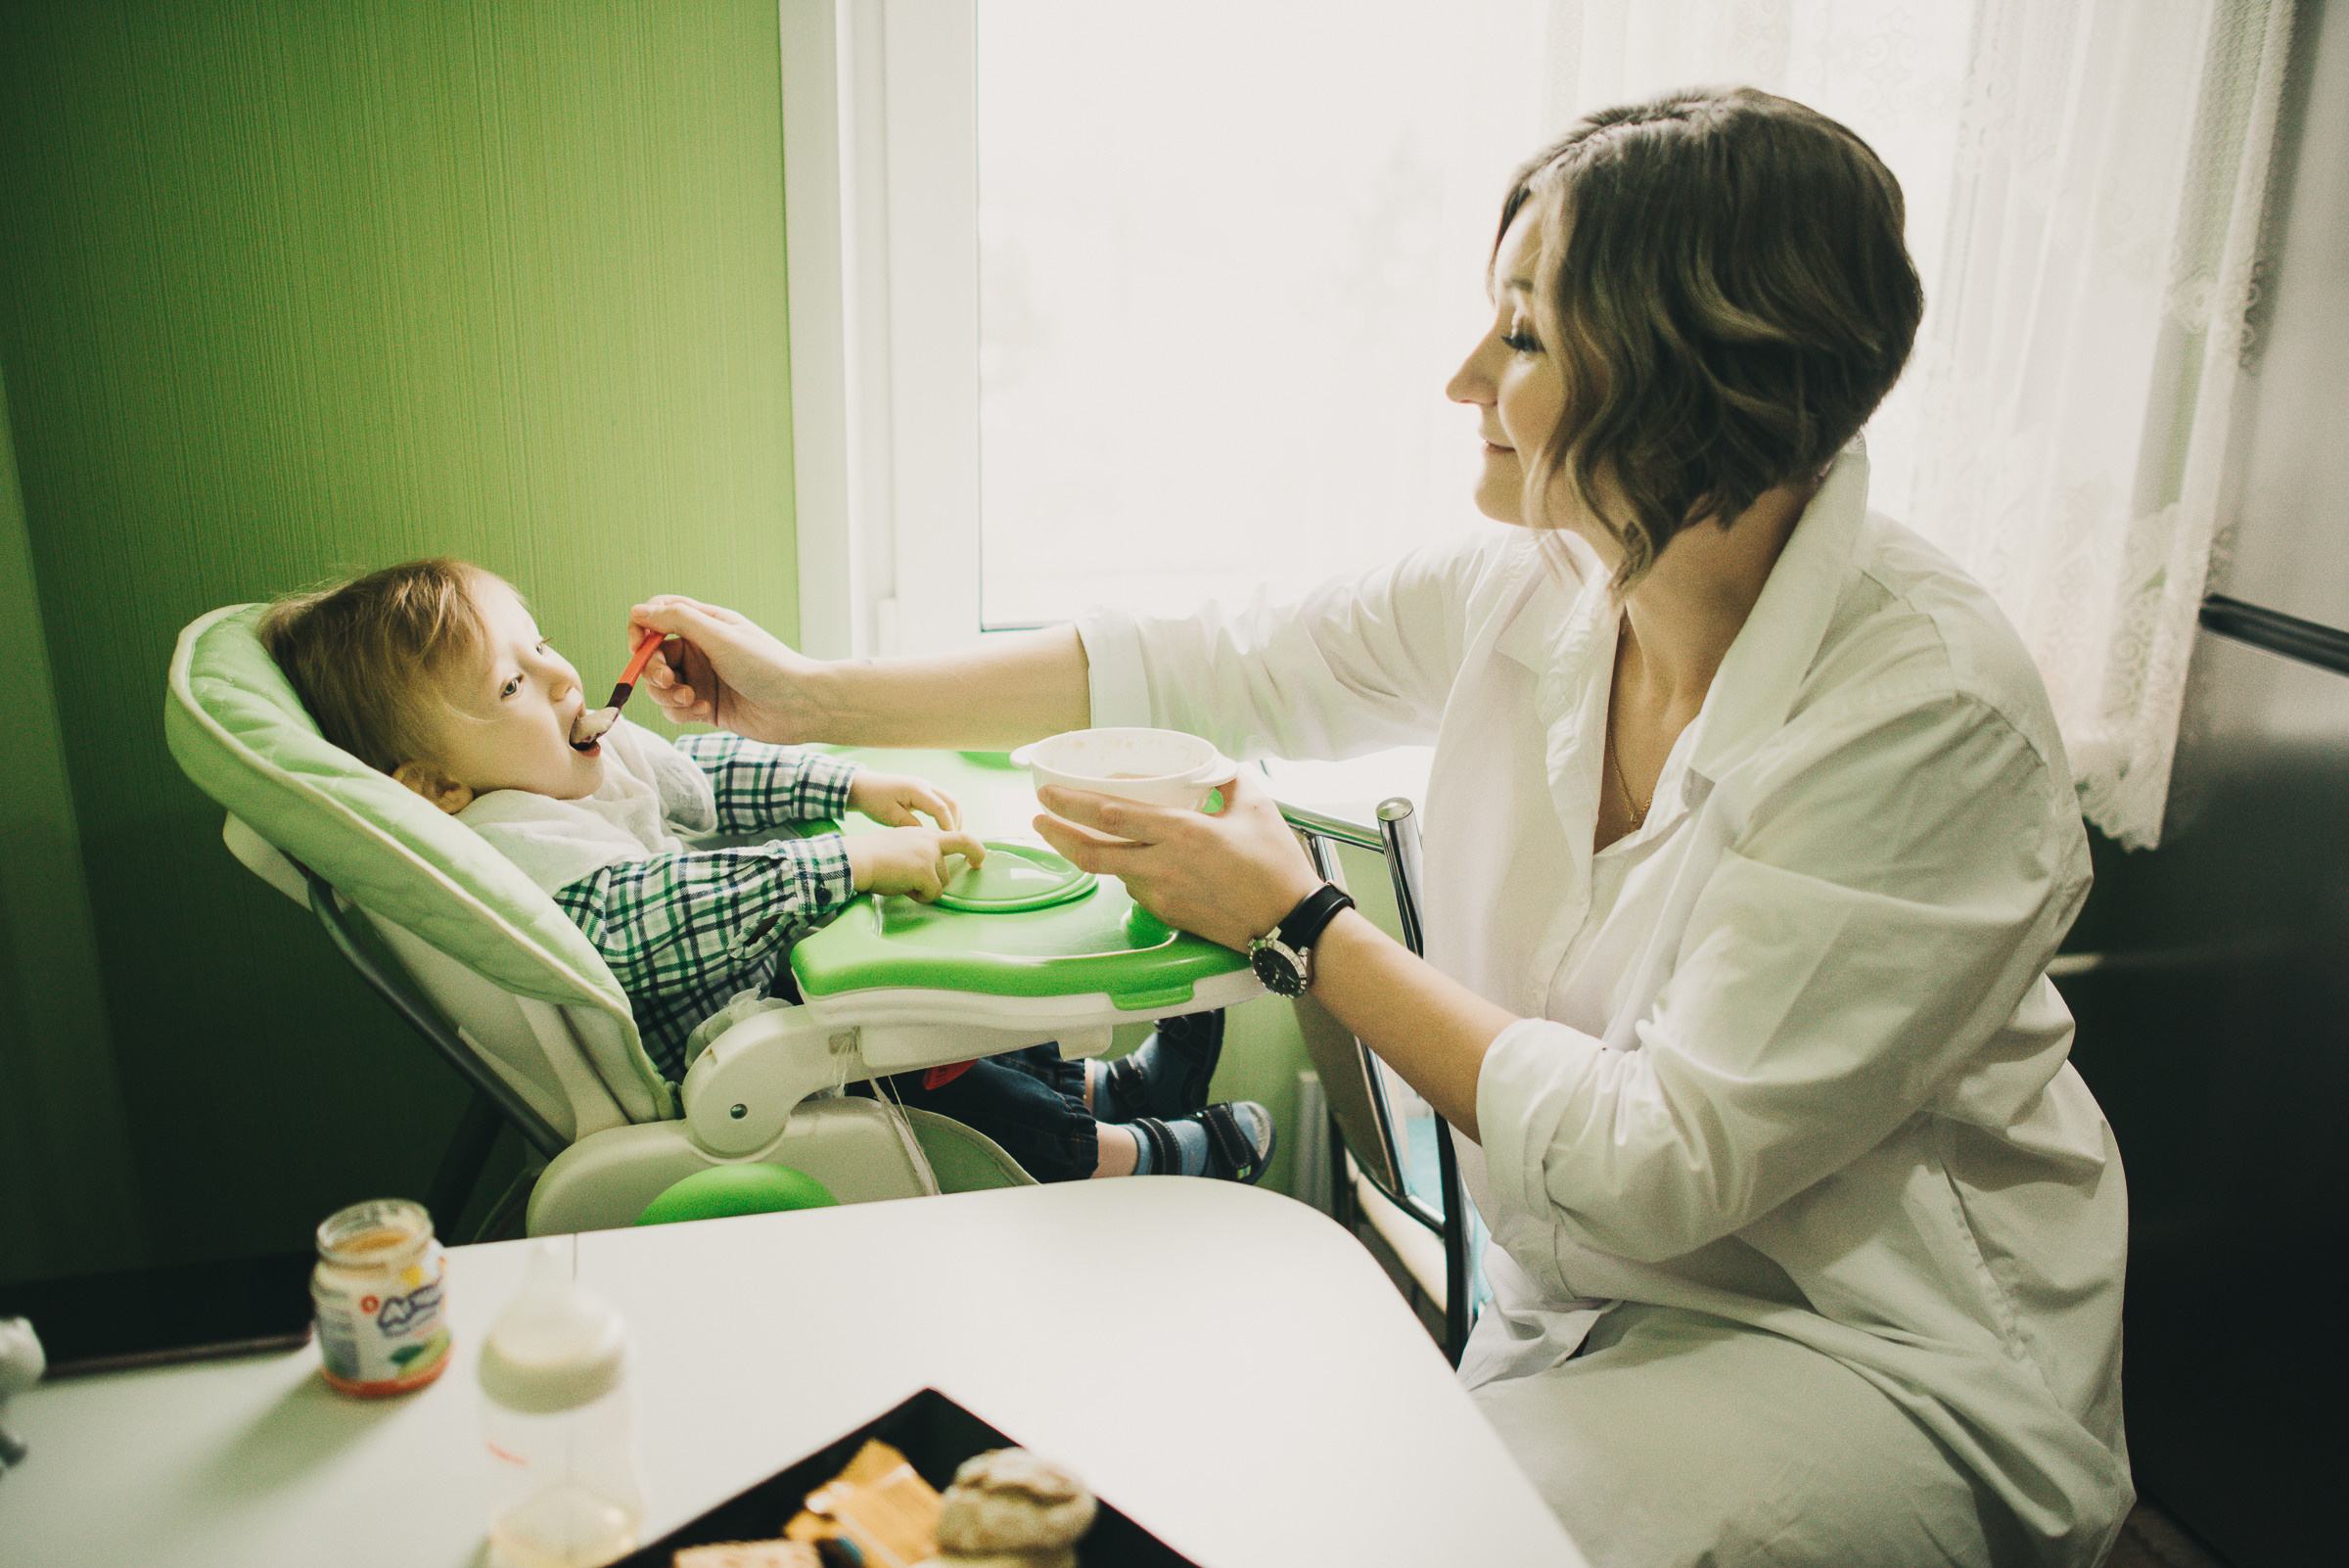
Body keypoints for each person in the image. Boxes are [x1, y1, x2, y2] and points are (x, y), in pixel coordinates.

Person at [623, 86, 2131, 1567]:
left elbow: (1664, 1156)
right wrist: (812, 699)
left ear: (1693, 382)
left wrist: (1300, 927)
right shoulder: (1548, 586)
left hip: (1869, 1350)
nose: (1466, 374)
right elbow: (1213, 657)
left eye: (1525, 332)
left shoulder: (1927, 718)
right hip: (1596, 1308)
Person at [258, 559, 1274, 1185]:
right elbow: (648, 914)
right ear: (434, 786)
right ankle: (1130, 1157)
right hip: (740, 1058)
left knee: (969, 1035)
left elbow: (701, 771)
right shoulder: (516, 841)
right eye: (514, 683)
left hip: (782, 991)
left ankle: (1109, 1087)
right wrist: (847, 863)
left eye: (546, 647)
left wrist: (847, 785)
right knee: (961, 1093)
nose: (564, 677)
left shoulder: (574, 770)